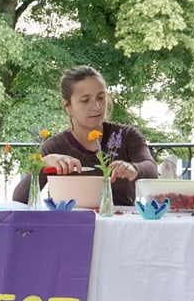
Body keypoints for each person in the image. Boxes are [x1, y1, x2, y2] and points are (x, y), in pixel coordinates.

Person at [12, 65, 158, 206]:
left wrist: (134, 169)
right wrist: (43, 164)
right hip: (71, 228)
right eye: (85, 100)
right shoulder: (54, 147)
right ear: (67, 105)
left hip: (119, 227)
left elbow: (151, 169)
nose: (96, 106)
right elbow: (19, 199)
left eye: (101, 97)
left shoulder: (126, 135)